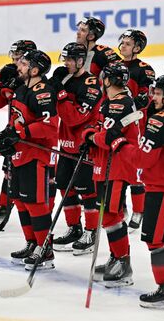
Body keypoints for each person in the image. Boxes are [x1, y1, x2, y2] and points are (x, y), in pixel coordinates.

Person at [114, 74, 164, 310]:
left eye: (159, 93)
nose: (154, 96)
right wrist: (151, 109)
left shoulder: (160, 121)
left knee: (155, 240)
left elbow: (143, 159)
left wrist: (120, 144)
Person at [0, 49, 58, 268]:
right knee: (21, 201)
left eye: (23, 63)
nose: (18, 66)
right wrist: (5, 139)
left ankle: (45, 249)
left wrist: (20, 134)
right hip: (19, 155)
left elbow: (50, 127)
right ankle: (32, 243)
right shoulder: (21, 89)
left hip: (36, 156)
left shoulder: (43, 92)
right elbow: (15, 122)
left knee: (36, 203)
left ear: (35, 69)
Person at [82, 62, 138, 288]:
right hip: (105, 165)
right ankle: (116, 257)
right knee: (107, 214)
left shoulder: (120, 104)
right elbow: (99, 128)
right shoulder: (112, 101)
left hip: (115, 166)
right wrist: (91, 135)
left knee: (111, 215)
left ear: (108, 80)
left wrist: (89, 137)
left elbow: (106, 138)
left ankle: (123, 264)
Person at [50, 42, 102, 255]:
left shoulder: (91, 84)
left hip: (84, 146)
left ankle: (91, 232)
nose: (66, 63)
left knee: (86, 190)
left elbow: (74, 118)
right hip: (66, 144)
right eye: (66, 59)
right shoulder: (66, 79)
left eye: (70, 60)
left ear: (81, 61)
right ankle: (74, 227)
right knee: (64, 184)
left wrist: (60, 93)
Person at [0, 39, 37, 227]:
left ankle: (30, 212)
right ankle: (4, 208)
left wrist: (7, 88)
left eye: (18, 56)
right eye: (14, 55)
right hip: (14, 130)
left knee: (24, 174)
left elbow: (12, 96)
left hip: (28, 134)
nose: (14, 59)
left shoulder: (33, 78)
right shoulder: (14, 72)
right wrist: (0, 82)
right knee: (8, 170)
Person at [118, 29, 156, 231]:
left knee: (135, 171)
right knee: (118, 168)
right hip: (116, 123)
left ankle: (139, 211)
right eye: (122, 42)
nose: (123, 46)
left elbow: (147, 96)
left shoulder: (144, 69)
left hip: (136, 125)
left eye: (128, 43)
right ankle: (121, 207)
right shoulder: (114, 66)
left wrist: (140, 98)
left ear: (137, 48)